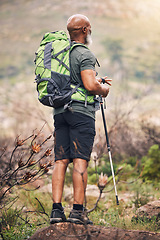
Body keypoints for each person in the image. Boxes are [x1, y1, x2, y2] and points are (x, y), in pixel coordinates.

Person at [50, 14, 112, 225]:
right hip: (80, 113)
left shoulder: (60, 53)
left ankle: (56, 211)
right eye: (90, 28)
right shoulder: (84, 54)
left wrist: (96, 78)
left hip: (60, 112)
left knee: (60, 160)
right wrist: (102, 89)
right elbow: (89, 86)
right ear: (85, 30)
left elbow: (75, 80)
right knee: (80, 158)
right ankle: (77, 212)